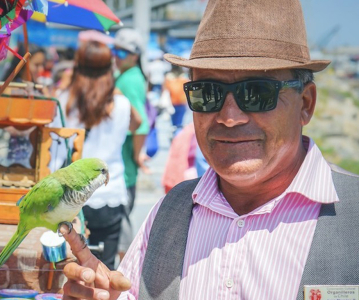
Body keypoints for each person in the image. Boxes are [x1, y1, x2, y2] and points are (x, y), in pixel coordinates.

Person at [61, 0, 359, 299]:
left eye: (256, 93)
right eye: (207, 93)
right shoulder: (168, 213)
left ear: (305, 104)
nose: (230, 117)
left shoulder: (352, 218)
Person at [52, 40, 141, 270]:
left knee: (68, 267)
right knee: (105, 268)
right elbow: (138, 123)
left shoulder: (64, 100)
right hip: (108, 192)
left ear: (78, 65)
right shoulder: (120, 103)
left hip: (70, 198)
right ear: (110, 67)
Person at [112, 28, 150, 257]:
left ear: (135, 55)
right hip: (124, 166)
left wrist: (136, 156)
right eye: (114, 50)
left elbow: (141, 125)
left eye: (122, 52)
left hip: (125, 168)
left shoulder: (130, 79)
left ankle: (125, 281)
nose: (116, 55)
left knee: (121, 230)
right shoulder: (129, 76)